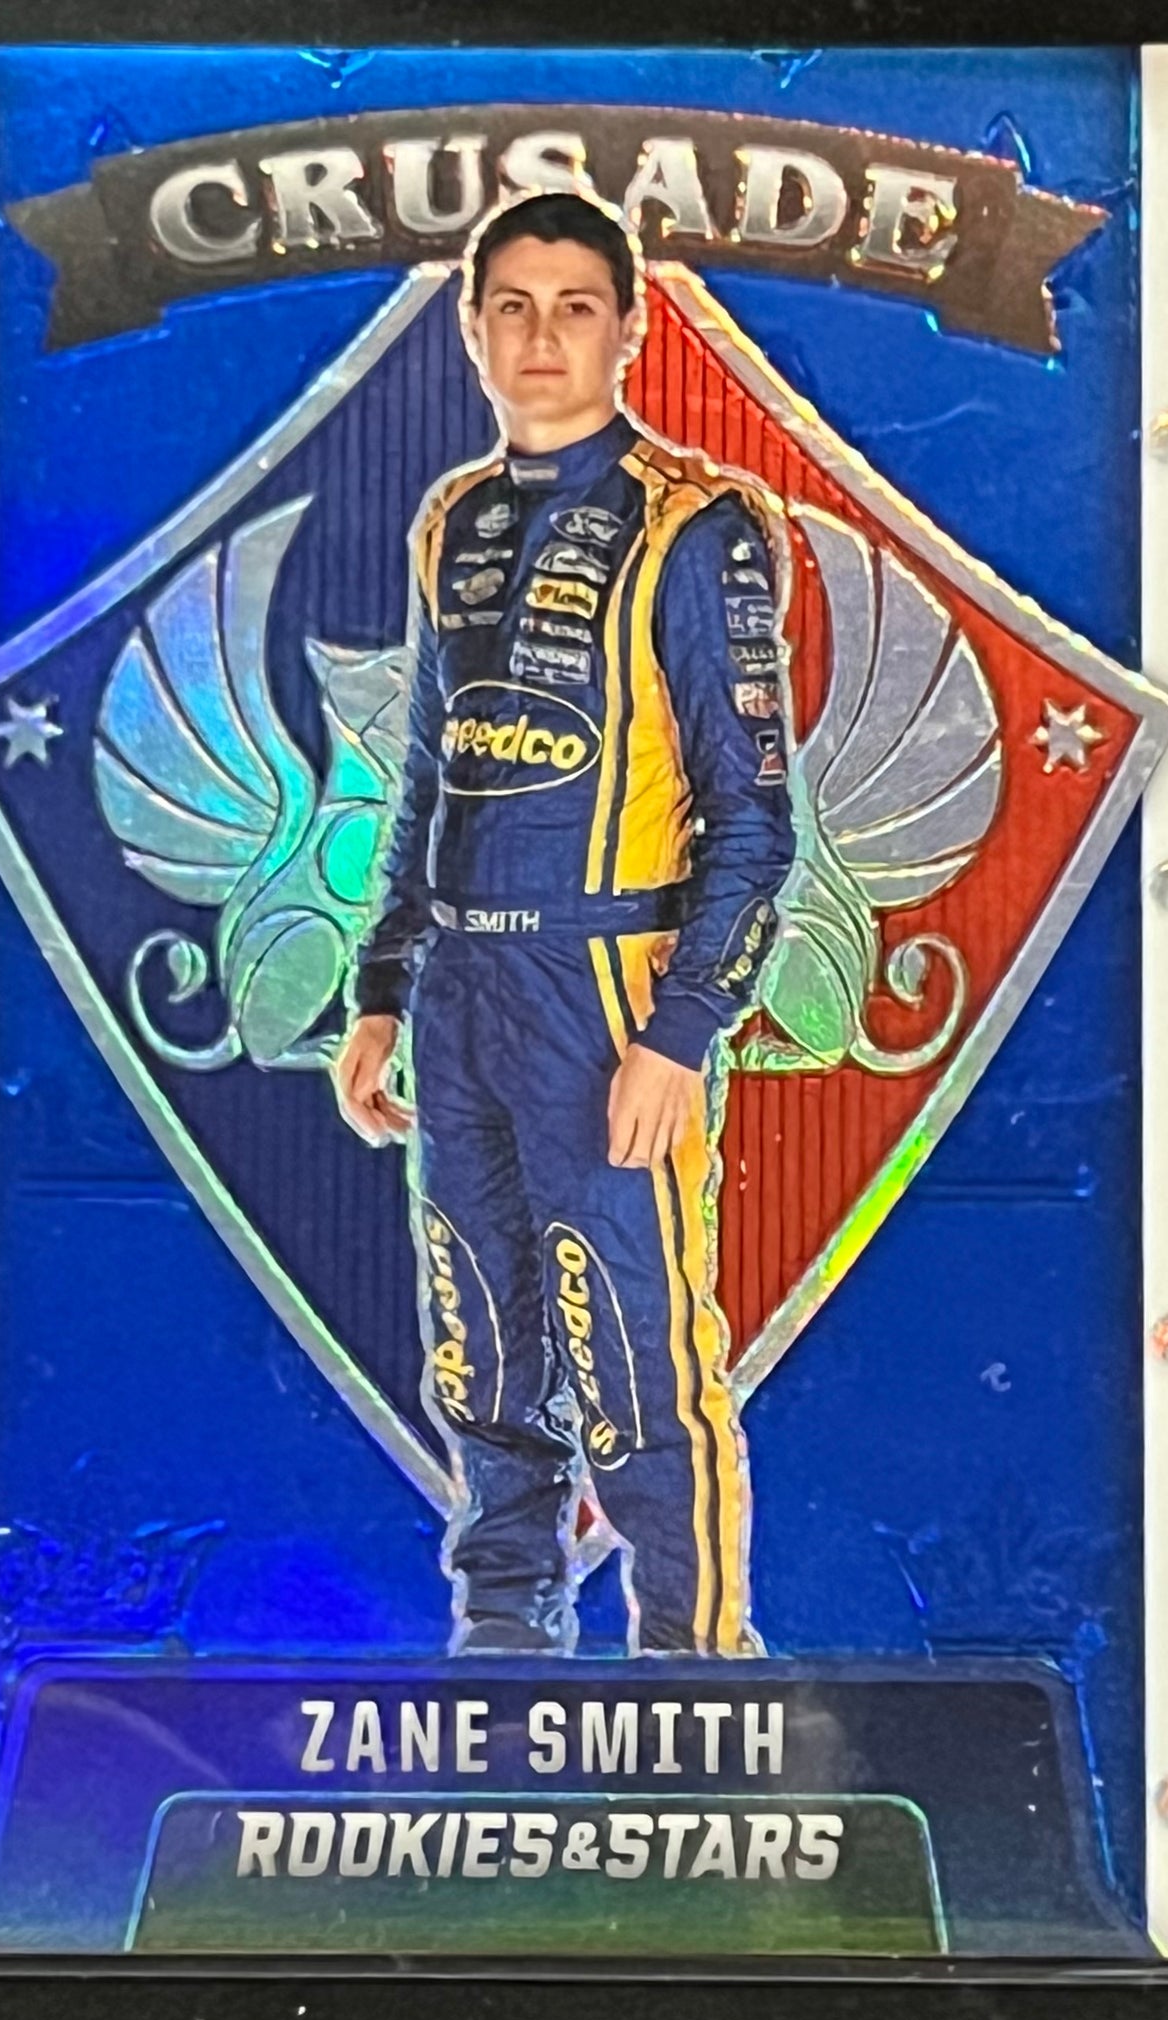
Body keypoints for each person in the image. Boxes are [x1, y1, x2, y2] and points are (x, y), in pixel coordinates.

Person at [334, 190, 797, 1656]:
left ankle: (694, 1670)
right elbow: (426, 778)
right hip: (460, 987)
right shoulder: (453, 521)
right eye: (513, 308)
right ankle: (503, 1644)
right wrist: (382, 989)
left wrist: (680, 1033)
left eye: (575, 307)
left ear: (630, 329)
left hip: (603, 982)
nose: (542, 337)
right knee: (478, 1338)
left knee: (632, 1355)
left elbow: (755, 823)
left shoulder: (697, 526)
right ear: (472, 333)